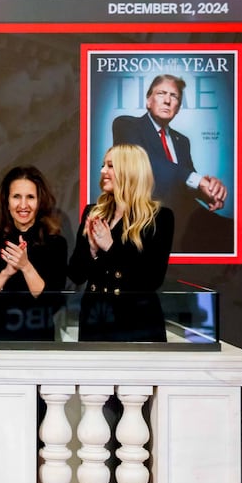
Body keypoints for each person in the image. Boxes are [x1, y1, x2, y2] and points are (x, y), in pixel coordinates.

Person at [112, 74, 231, 254]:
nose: (167, 100)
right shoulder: (126, 125)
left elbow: (186, 182)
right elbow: (144, 162)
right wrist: (197, 179)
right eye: (161, 93)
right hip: (143, 220)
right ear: (148, 101)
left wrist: (210, 191)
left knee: (231, 232)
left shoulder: (182, 142)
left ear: (178, 108)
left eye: (174, 96)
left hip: (182, 222)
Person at [68, 144, 174, 342]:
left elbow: (151, 279)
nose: (102, 171)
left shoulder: (159, 218)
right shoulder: (94, 212)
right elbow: (76, 274)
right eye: (103, 165)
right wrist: (91, 249)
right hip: (95, 319)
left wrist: (110, 247)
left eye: (110, 166)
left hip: (137, 322)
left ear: (130, 171)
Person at [0, 166, 67, 340]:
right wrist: (6, 273)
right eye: (16, 197)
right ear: (7, 201)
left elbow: (51, 303)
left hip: (38, 339)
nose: (23, 205)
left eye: (30, 197)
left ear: (40, 201)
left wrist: (25, 266)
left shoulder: (55, 244)